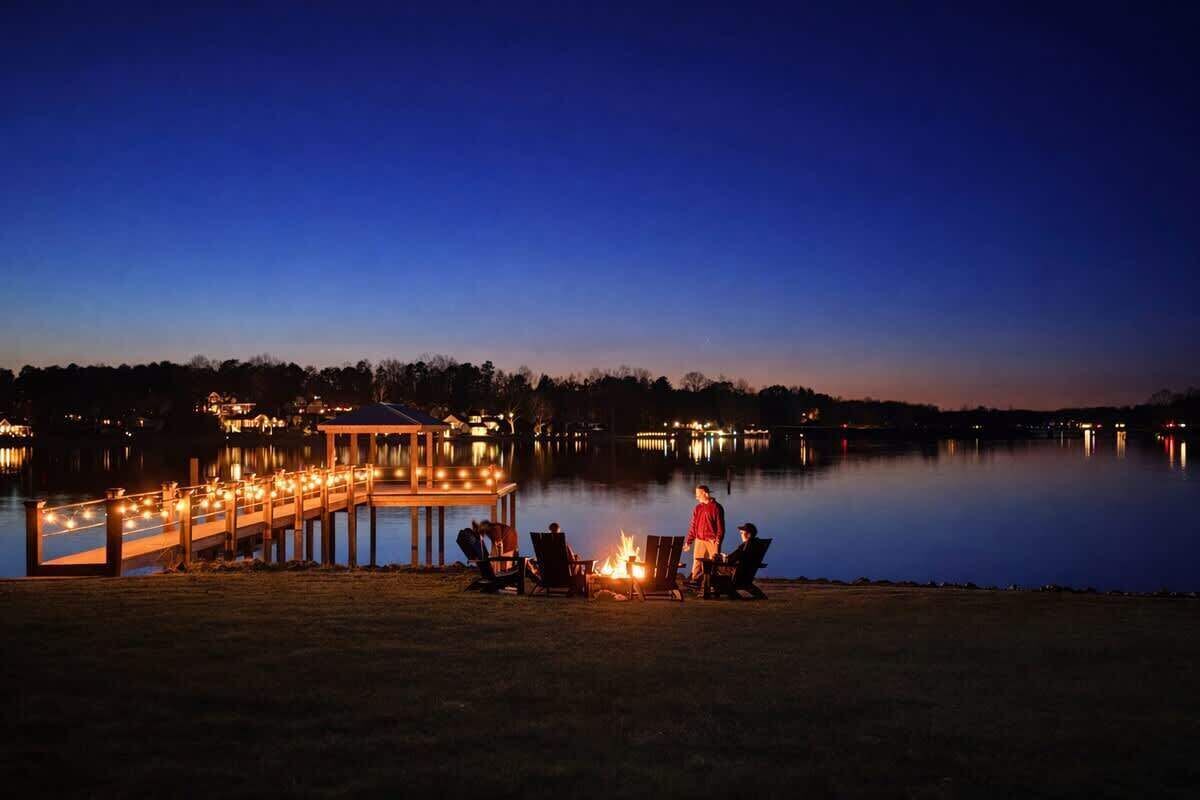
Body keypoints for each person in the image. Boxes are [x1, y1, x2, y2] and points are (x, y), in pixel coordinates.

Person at [685, 484, 725, 582]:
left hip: (712, 541)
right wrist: (689, 542)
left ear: (705, 494)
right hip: (699, 540)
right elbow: (693, 526)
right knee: (696, 566)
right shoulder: (698, 508)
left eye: (698, 494)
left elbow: (721, 527)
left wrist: (718, 540)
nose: (696, 496)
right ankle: (696, 583)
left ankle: (712, 586)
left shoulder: (716, 507)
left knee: (714, 566)